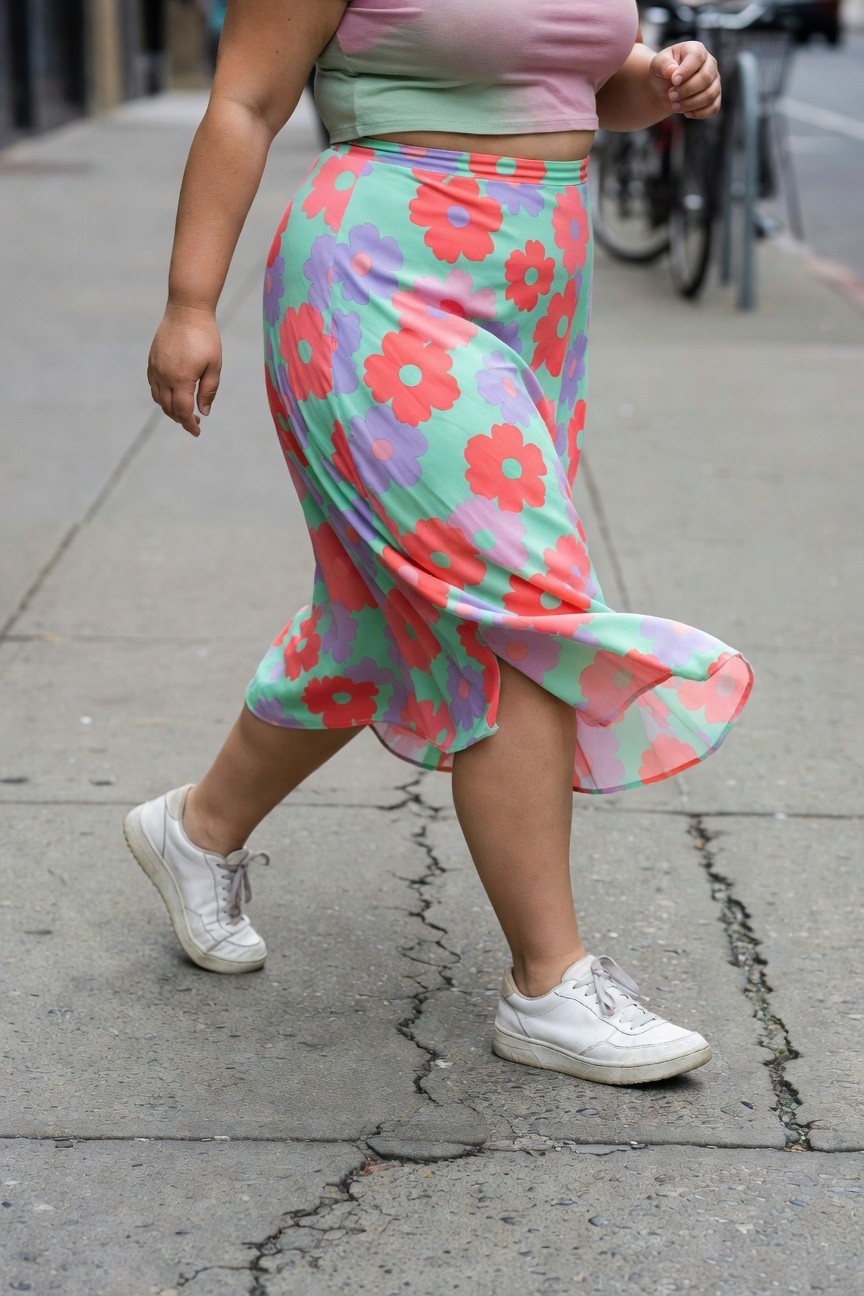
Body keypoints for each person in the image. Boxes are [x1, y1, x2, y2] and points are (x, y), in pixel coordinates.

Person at [129, 0, 753, 1088]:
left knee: (376, 621)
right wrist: (191, 300)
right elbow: (246, 96)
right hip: (380, 282)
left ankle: (198, 827)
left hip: (535, 291)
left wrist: (652, 83)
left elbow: (563, 79)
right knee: (520, 598)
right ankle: (550, 985)